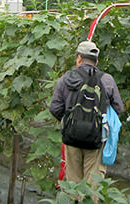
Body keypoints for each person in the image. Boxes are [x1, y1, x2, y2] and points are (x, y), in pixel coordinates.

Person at [49, 40, 124, 185]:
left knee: (72, 181)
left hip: (71, 137)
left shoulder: (65, 79)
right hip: (96, 137)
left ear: (79, 59)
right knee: (92, 183)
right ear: (96, 62)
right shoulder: (107, 80)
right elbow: (118, 108)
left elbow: (55, 108)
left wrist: (70, 122)